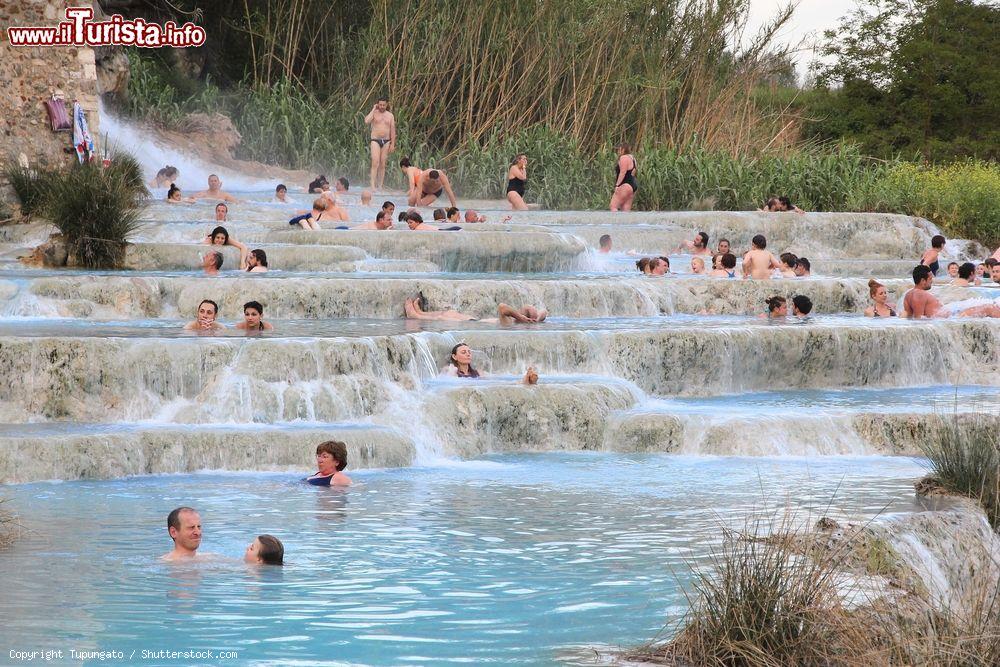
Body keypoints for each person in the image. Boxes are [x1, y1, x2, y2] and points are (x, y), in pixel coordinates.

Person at [903, 264, 1000, 318]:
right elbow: (919, 319)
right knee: (989, 308)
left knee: (989, 306)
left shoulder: (908, 294)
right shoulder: (919, 294)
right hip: (952, 316)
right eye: (930, 278)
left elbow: (908, 315)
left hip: (950, 313)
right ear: (923, 280)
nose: (932, 281)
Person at [404, 295, 547, 323]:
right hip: (475, 320)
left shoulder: (510, 323)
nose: (519, 311)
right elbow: (544, 312)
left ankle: (415, 316)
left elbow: (502, 307)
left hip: (472, 323)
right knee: (449, 312)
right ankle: (421, 312)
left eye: (521, 311)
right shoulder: (515, 320)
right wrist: (537, 318)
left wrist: (521, 317)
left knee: (443, 318)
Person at [365, 98, 397, 190]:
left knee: (383, 163)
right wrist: (373, 109)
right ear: (377, 104)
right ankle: (372, 185)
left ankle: (380, 185)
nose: (382, 107)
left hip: (386, 141)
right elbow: (366, 121)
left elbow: (392, 129)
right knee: (375, 162)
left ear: (386, 105)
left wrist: (392, 144)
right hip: (375, 140)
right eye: (380, 105)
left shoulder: (390, 115)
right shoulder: (374, 113)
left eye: (383, 105)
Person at [610, 143, 637, 212]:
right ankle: (625, 223)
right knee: (625, 210)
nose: (618, 152)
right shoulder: (632, 158)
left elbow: (622, 173)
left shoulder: (623, 158)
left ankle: (614, 222)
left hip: (625, 185)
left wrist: (617, 185)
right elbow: (633, 172)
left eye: (619, 149)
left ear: (623, 149)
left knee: (613, 206)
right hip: (632, 186)